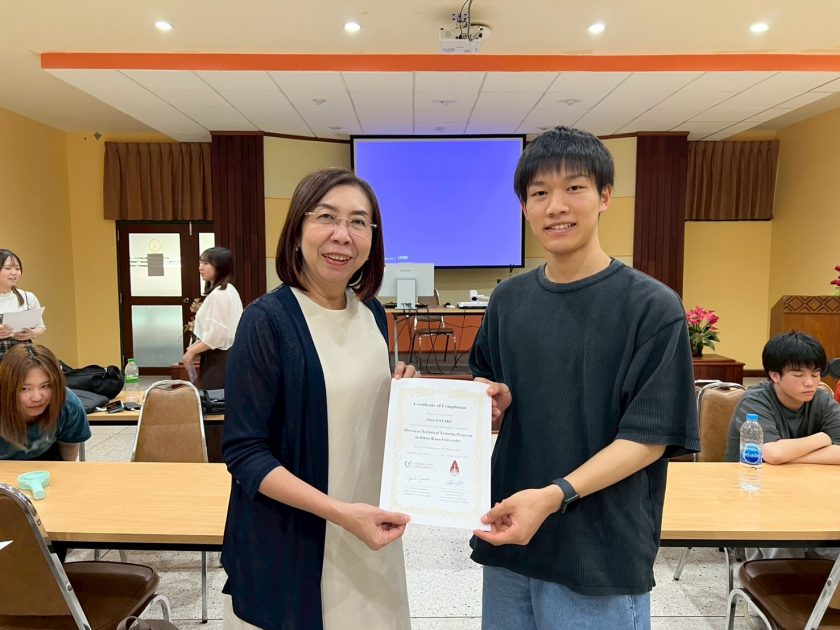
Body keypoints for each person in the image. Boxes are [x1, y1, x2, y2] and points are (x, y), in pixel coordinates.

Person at [468, 126, 700, 629]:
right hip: (511, 534)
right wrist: (489, 402)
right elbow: (489, 384)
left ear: (604, 197)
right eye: (539, 193)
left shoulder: (652, 307)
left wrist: (554, 496)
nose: (556, 206)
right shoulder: (508, 300)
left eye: (574, 187)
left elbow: (648, 438)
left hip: (599, 549)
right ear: (524, 207)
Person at [221, 168, 416, 630]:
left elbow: (353, 404)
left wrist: (401, 392)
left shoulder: (371, 313)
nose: (342, 235)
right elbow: (245, 453)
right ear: (297, 231)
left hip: (371, 530)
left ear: (372, 238)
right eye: (326, 217)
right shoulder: (267, 321)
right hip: (297, 541)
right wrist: (339, 513)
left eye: (358, 222)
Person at [724, 331, 840, 466]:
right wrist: (822, 438)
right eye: (798, 375)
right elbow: (774, 454)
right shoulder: (754, 401)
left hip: (803, 476)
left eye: (815, 374)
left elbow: (776, 456)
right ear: (775, 376)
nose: (810, 383)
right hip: (750, 476)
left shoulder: (822, 399)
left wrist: (787, 456)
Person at [0, 344, 90, 461]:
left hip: (47, 467)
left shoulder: (68, 405)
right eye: (25, 388)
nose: (37, 397)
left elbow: (68, 451)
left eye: (45, 386)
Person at [182, 246, 243, 390]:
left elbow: (218, 335)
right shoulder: (229, 289)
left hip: (219, 360)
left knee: (216, 400)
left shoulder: (220, 294)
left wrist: (192, 351)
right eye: (200, 263)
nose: (200, 267)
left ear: (220, 267)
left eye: (206, 263)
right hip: (228, 356)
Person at [0, 249, 46, 362]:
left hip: (23, 361)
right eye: (8, 268)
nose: (14, 272)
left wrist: (32, 333)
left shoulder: (28, 297)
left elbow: (41, 327)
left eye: (17, 268)